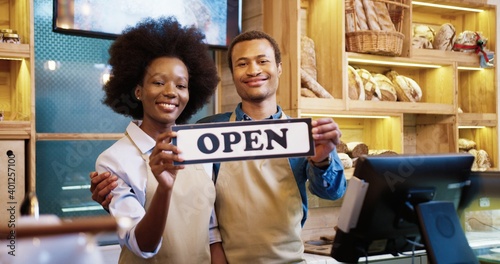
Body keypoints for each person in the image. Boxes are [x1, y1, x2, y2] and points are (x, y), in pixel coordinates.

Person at [91, 29, 346, 263]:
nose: (253, 70)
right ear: (232, 74)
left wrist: (323, 159)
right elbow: (189, 213)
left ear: (279, 68)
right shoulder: (205, 133)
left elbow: (332, 192)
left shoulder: (302, 135)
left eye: (263, 61)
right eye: (242, 63)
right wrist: (117, 197)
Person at [93, 16, 226, 264]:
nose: (171, 92)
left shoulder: (198, 147)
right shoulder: (113, 161)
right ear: (138, 91)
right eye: (158, 82)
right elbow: (142, 245)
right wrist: (164, 188)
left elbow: (210, 232)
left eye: (181, 85)